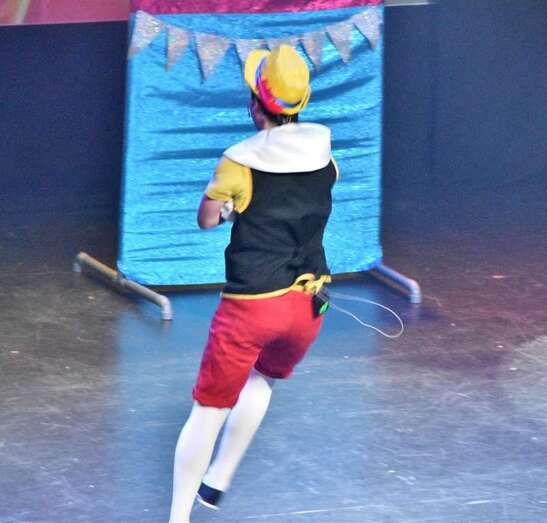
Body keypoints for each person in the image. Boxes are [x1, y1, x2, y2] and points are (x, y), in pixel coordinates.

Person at [168, 44, 338, 523]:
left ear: (255, 105)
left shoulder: (239, 163)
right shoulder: (326, 158)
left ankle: (178, 518)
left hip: (253, 308)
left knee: (209, 410)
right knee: (260, 379)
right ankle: (218, 481)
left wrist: (228, 209)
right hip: (309, 305)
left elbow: (206, 219)